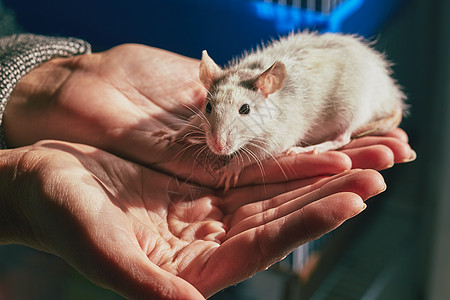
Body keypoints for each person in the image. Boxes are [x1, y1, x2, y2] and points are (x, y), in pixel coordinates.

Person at [0, 33, 416, 299]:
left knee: (344, 115)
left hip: (356, 76)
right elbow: (223, 125)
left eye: (242, 113)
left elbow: (278, 136)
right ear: (207, 86)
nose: (219, 138)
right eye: (211, 111)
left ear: (266, 89)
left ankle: (343, 134)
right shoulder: (223, 89)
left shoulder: (276, 107)